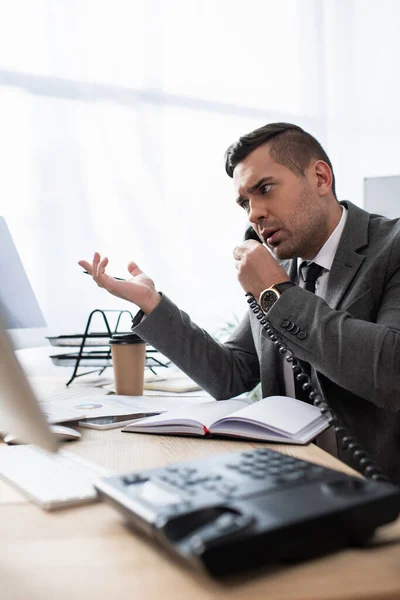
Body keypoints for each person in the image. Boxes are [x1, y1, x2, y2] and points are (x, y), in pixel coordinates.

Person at [79, 122, 400, 483]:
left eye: (265, 189)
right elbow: (230, 374)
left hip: (374, 490)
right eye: (245, 202)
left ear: (321, 178)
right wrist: (153, 305)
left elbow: (390, 372)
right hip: (290, 476)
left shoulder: (391, 248)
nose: (253, 214)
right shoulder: (278, 269)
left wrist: (278, 292)